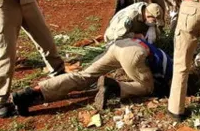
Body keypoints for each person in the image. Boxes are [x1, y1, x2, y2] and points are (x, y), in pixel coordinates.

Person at [11, 37, 173, 115]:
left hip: (121, 45)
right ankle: (114, 87)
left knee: (84, 76)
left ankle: (32, 93)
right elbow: (158, 84)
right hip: (134, 54)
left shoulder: (164, 56)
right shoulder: (171, 68)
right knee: (147, 87)